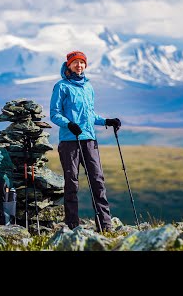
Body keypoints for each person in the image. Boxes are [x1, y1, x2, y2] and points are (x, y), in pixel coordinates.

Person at [50, 50, 121, 232]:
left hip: (89, 140)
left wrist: (106, 121)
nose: (79, 65)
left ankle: (105, 225)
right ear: (69, 65)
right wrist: (69, 124)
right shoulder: (61, 87)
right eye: (75, 63)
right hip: (69, 141)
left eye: (82, 62)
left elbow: (90, 115)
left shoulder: (88, 87)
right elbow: (54, 114)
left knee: (97, 181)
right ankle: (73, 226)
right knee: (71, 183)